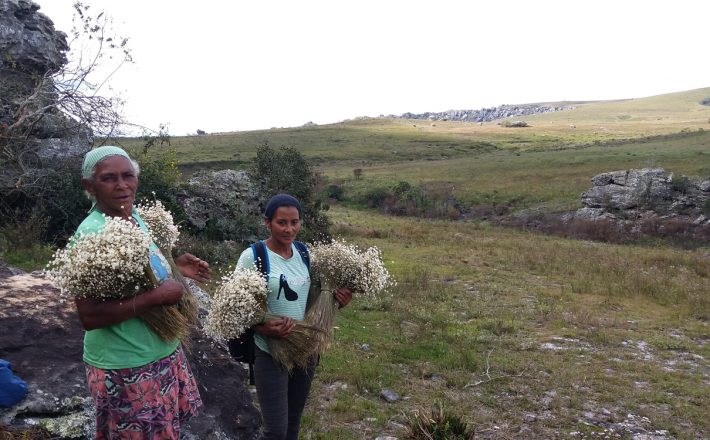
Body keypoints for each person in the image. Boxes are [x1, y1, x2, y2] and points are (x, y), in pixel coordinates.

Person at [74, 145, 210, 439]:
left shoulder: (133, 216)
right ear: (90, 186)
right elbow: (89, 316)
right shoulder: (90, 234)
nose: (122, 185)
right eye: (109, 178)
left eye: (128, 176)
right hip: (126, 367)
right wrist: (156, 298)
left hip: (161, 352)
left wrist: (174, 265)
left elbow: (136, 274)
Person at [236, 194, 352, 440]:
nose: (289, 229)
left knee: (292, 425)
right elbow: (236, 305)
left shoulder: (304, 253)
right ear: (267, 223)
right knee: (276, 431)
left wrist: (337, 302)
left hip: (304, 351)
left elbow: (310, 302)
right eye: (282, 223)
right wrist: (263, 328)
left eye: (294, 222)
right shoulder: (253, 256)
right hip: (270, 351)